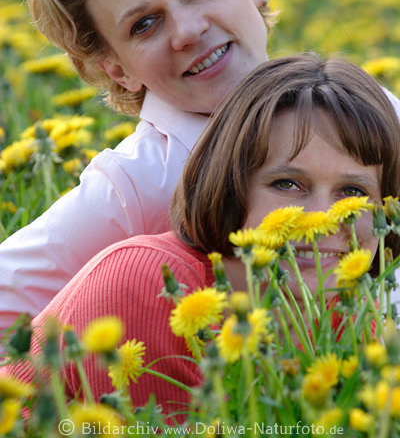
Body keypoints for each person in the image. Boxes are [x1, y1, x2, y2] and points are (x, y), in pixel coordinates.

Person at [0, 0, 399, 332]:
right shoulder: (138, 184)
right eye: (144, 24)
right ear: (116, 68)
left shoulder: (378, 111)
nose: (188, 31)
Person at [6, 53, 400, 417]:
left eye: (353, 193)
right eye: (287, 184)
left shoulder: (344, 314)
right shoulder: (149, 286)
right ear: (232, 184)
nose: (320, 220)